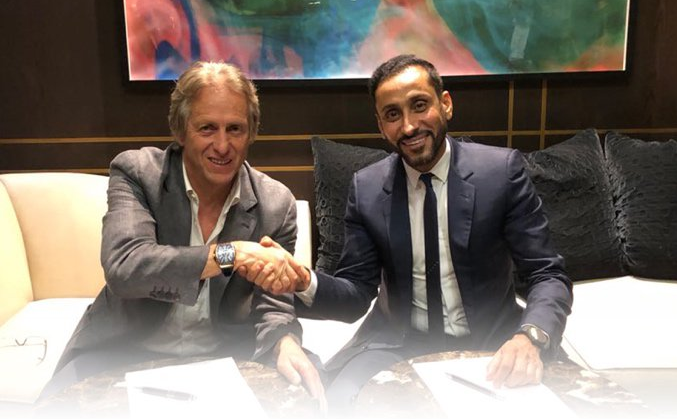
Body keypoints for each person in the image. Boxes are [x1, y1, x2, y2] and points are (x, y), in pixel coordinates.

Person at [244, 54, 573, 411]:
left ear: (445, 104)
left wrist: (531, 336)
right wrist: (303, 280)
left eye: (419, 106)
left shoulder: (500, 172)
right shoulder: (368, 189)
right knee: (334, 404)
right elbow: (355, 294)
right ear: (380, 125)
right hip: (397, 342)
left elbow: (547, 273)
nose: (409, 126)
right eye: (392, 114)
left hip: (494, 341)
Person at [42, 61, 325, 407]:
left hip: (228, 354)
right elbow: (126, 268)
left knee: (314, 389)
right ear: (180, 131)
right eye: (207, 128)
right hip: (123, 349)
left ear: (251, 133)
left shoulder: (275, 203)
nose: (222, 145)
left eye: (235, 129)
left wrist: (284, 342)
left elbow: (274, 304)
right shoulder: (137, 173)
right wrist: (232, 254)